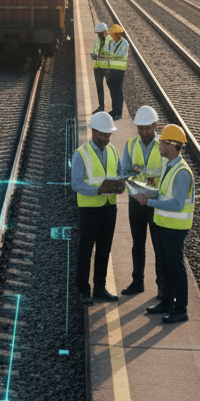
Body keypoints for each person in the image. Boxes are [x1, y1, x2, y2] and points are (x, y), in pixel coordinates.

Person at [132, 124, 193, 323]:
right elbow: (163, 192)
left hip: (175, 229)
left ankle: (181, 308)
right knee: (166, 266)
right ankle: (167, 301)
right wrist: (147, 194)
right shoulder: (170, 166)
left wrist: (149, 202)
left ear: (175, 146)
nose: (161, 145)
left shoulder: (182, 172)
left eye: (165, 143)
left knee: (176, 268)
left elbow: (176, 203)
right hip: (164, 225)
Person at [71, 111, 126, 302]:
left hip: (110, 208)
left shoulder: (112, 150)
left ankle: (100, 288)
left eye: (109, 135)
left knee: (104, 249)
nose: (107, 138)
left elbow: (118, 173)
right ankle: (83, 290)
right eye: (103, 135)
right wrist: (99, 190)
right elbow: (76, 184)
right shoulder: (80, 154)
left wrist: (121, 185)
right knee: (86, 250)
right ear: (93, 132)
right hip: (89, 211)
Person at [120, 106, 162, 296]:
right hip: (136, 202)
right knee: (138, 244)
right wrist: (136, 191)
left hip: (156, 204)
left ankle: (162, 289)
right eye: (140, 128)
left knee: (159, 246)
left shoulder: (164, 145)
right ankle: (138, 282)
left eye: (147, 128)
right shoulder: (130, 145)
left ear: (155, 125)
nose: (144, 132)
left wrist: (142, 176)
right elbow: (125, 172)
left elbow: (166, 176)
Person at [102, 25, 130, 120]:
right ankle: (114, 110)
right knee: (112, 90)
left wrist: (108, 56)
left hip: (119, 70)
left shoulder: (124, 44)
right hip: (110, 69)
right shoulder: (110, 41)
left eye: (113, 34)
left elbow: (118, 56)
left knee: (118, 91)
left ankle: (119, 112)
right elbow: (105, 51)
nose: (111, 35)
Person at [91, 22, 111, 113]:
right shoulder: (97, 42)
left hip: (108, 68)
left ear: (105, 32)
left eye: (101, 33)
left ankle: (115, 108)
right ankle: (101, 106)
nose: (99, 35)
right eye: (98, 34)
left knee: (112, 87)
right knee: (99, 87)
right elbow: (95, 52)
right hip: (98, 68)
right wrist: (94, 56)